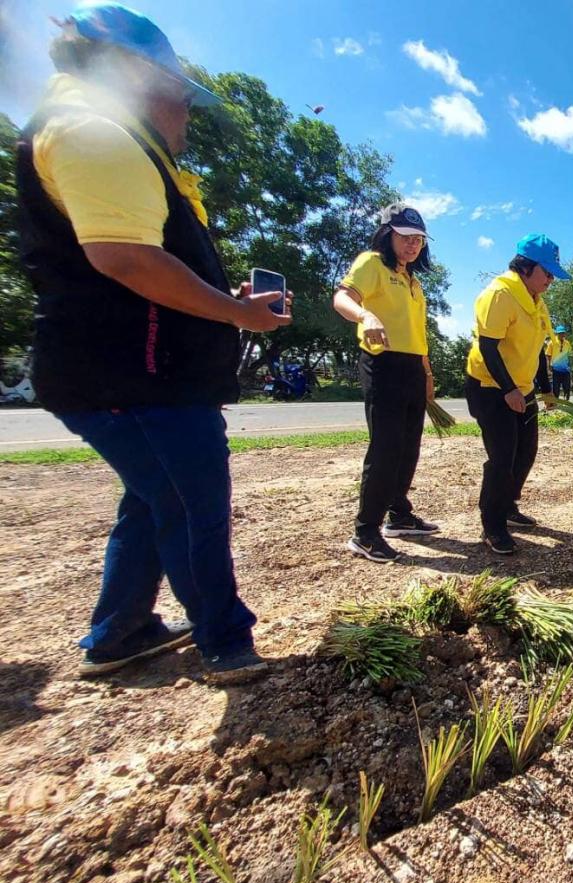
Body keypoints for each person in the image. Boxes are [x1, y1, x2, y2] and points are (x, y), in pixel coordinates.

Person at [16, 3, 290, 681]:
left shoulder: (107, 136)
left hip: (133, 374)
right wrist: (237, 314)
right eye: (180, 101)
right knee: (188, 503)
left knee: (150, 497)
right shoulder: (94, 131)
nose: (186, 119)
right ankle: (224, 640)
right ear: (132, 74)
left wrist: (229, 308)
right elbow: (127, 260)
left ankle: (119, 631)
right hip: (134, 377)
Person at [332, 203, 437, 563]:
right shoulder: (371, 264)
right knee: (386, 448)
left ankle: (399, 515)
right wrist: (365, 314)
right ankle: (365, 532)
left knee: (409, 448)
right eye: (405, 237)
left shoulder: (414, 281)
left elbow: (417, 331)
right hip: (383, 364)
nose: (412, 245)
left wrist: (426, 371)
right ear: (387, 235)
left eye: (419, 240)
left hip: (411, 367)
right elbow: (342, 297)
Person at [464, 234, 564, 555]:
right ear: (526, 267)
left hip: (523, 387)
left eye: (552, 274)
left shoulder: (535, 299)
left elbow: (536, 351)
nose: (550, 279)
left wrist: (545, 389)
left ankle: (507, 505)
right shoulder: (500, 294)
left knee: (527, 452)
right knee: (503, 457)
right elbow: (488, 347)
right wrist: (508, 390)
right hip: (490, 387)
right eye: (547, 272)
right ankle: (492, 525)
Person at [546, 324, 573, 401]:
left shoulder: (567, 343)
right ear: (557, 334)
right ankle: (556, 403)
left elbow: (570, 355)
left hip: (566, 369)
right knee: (556, 387)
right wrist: (549, 367)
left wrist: (570, 366)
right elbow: (548, 355)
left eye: (563, 333)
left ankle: (567, 402)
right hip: (555, 369)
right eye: (560, 333)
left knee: (567, 387)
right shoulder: (552, 343)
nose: (561, 335)